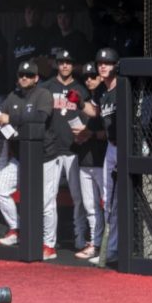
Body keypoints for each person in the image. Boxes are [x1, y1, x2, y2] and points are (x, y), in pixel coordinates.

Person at [0, 60, 54, 255]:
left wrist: (11, 119)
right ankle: (17, 228)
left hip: (43, 156)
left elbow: (41, 118)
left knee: (45, 203)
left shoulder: (43, 94)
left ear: (36, 78)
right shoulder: (13, 95)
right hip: (20, 156)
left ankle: (48, 244)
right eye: (21, 75)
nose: (24, 78)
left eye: (28, 75)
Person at [41, 49, 90, 254]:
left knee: (78, 198)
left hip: (73, 149)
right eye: (61, 62)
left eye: (68, 62)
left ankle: (80, 240)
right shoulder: (46, 87)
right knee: (47, 198)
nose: (65, 66)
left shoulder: (80, 88)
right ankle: (48, 243)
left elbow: (88, 115)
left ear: (73, 65)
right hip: (52, 149)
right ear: (56, 64)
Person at [82, 47, 119, 263]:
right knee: (108, 200)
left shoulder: (122, 87)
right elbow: (94, 111)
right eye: (100, 63)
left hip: (125, 146)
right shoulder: (101, 92)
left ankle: (116, 250)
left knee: (119, 201)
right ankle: (109, 251)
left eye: (108, 63)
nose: (103, 66)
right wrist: (77, 102)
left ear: (116, 65)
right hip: (111, 147)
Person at [73, 61, 108, 262]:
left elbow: (110, 132)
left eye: (92, 76)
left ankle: (108, 247)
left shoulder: (107, 97)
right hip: (85, 158)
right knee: (90, 206)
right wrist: (79, 136)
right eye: (86, 77)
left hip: (102, 159)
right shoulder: (86, 100)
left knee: (107, 205)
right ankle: (95, 245)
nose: (89, 80)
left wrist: (91, 134)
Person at [48, 3, 93, 70]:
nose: (62, 21)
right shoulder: (54, 39)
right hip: (53, 77)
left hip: (73, 77)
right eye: (60, 17)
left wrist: (62, 68)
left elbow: (84, 67)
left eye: (66, 17)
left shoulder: (79, 39)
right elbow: (48, 62)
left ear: (72, 18)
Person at [12, 4, 52, 78]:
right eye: (29, 12)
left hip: (37, 79)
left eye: (35, 13)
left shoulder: (45, 34)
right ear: (25, 14)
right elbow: (14, 60)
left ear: (40, 15)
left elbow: (47, 63)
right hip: (19, 78)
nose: (32, 16)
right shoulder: (19, 34)